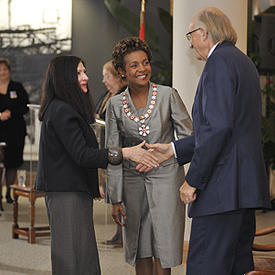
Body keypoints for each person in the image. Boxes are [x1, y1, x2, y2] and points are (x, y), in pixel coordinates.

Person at [145, 7, 271, 275]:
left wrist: (193, 180)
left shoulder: (218, 63)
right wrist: (172, 149)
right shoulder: (242, 61)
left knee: (206, 267)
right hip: (241, 191)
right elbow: (229, 128)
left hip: (222, 191)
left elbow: (218, 129)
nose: (190, 42)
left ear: (204, 32)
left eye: (190, 34)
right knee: (237, 267)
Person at [34, 55, 159, 275]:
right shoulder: (62, 110)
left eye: (85, 71)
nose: (86, 77)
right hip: (66, 194)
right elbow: (83, 155)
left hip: (71, 192)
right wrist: (125, 153)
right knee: (71, 259)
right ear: (65, 78)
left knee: (82, 255)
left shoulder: (62, 108)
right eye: (79, 73)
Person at [105, 37, 192, 275]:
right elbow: (113, 153)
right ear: (122, 71)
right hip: (132, 183)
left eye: (145, 62)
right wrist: (115, 197)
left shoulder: (168, 95)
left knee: (164, 246)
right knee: (140, 246)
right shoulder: (114, 105)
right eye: (134, 65)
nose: (142, 69)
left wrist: (164, 154)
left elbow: (189, 139)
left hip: (167, 180)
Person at [96, 60, 128, 247]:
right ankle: (118, 233)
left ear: (117, 76)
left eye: (107, 76)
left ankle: (124, 233)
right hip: (106, 150)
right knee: (112, 192)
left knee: (121, 193)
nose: (104, 80)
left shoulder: (124, 95)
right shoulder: (107, 95)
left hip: (120, 152)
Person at [0, 57, 29, 204]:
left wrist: (11, 113)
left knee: (12, 162)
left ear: (9, 71)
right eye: (0, 70)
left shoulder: (17, 87)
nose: (2, 72)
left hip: (15, 132)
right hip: (0, 131)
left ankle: (9, 193)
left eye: (4, 69)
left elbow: (25, 106)